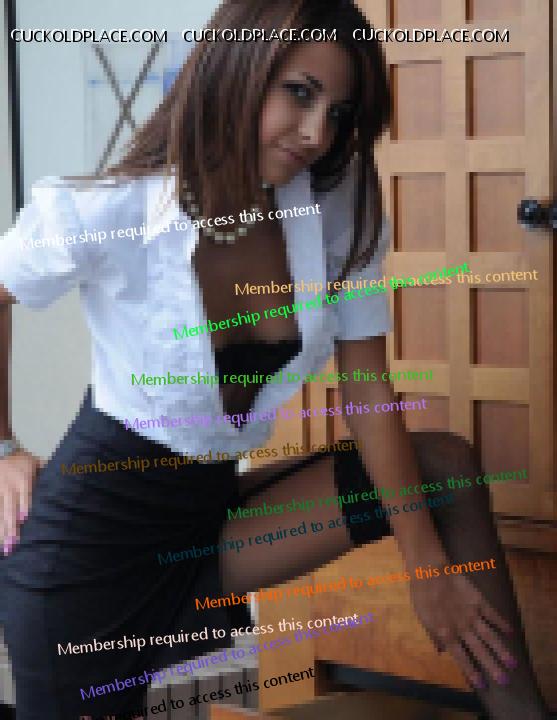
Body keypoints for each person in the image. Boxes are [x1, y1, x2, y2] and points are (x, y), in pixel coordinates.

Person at [0, 1, 549, 718]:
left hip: (210, 526)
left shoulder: (334, 203)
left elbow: (367, 385)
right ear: (235, 70)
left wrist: (428, 566)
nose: (317, 133)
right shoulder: (113, 210)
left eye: (338, 111)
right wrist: (4, 446)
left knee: (444, 467)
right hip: (87, 561)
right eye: (299, 93)